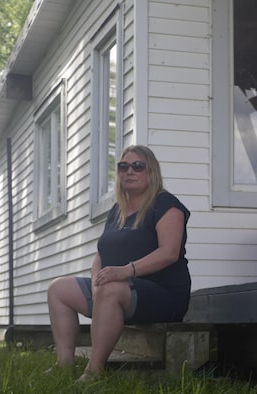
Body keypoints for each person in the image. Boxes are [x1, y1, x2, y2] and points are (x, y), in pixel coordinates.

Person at [47, 144, 191, 381]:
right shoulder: (118, 210)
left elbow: (169, 253)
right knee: (58, 288)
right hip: (119, 289)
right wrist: (96, 281)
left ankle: (94, 370)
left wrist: (126, 271)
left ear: (151, 171)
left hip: (164, 295)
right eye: (123, 167)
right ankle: (64, 363)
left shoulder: (166, 204)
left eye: (137, 166)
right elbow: (100, 254)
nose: (129, 172)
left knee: (111, 289)